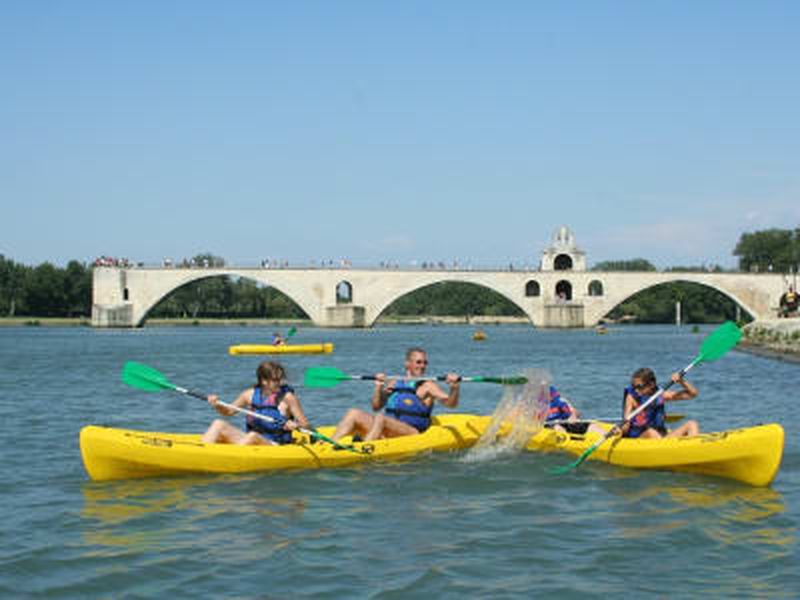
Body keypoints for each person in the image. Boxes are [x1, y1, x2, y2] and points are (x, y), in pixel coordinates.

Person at [331, 347, 461, 442]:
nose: (422, 366)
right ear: (407, 364)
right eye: (418, 362)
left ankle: (365, 447)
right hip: (388, 429)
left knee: (381, 418)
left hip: (412, 432)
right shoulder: (394, 382)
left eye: (425, 362)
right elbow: (376, 406)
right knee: (353, 413)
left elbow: (450, 404)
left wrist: (454, 388)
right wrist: (378, 387)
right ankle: (329, 445)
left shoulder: (428, 386)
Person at [201, 361, 309, 445]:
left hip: (275, 444)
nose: (279, 383)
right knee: (218, 424)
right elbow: (228, 412)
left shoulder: (288, 398)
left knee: (253, 436)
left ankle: (229, 459)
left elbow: (306, 425)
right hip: (251, 441)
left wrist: (295, 425)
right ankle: (202, 454)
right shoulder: (249, 395)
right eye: (275, 380)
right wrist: (217, 405)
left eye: (280, 379)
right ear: (263, 381)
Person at [619, 367, 699, 439]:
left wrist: (681, 381)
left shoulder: (660, 395)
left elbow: (692, 394)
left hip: (661, 438)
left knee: (692, 424)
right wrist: (620, 430)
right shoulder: (632, 398)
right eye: (633, 386)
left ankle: (693, 451)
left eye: (639, 386)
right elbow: (626, 425)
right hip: (638, 438)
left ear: (651, 384)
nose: (636, 390)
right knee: (651, 433)